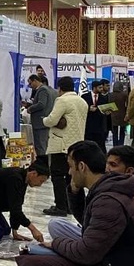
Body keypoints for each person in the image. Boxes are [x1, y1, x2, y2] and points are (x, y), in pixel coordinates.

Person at [37, 144, 134, 246]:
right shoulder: (112, 185)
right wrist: (75, 192)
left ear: (129, 171)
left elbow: (92, 248)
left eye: (113, 165)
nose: (107, 169)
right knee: (56, 224)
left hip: (110, 247)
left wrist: (58, 246)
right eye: (107, 164)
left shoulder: (127, 192)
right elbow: (88, 220)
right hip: (102, 239)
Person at [41, 76, 88, 217]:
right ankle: (70, 206)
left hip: (61, 144)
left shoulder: (62, 100)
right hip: (77, 144)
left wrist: (44, 120)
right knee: (71, 176)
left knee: (57, 175)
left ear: (60, 88)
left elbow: (51, 120)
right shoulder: (82, 101)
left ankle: (60, 206)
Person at [25, 74, 56, 165]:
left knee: (41, 147)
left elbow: (41, 104)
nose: (30, 86)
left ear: (35, 80)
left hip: (40, 123)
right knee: (45, 145)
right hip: (46, 122)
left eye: (30, 83)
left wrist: (30, 108)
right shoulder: (51, 90)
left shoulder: (42, 90)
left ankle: (42, 167)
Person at [82, 81, 110, 153]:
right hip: (88, 126)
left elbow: (106, 109)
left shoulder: (104, 98)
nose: (101, 89)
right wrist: (89, 109)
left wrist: (107, 112)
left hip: (99, 126)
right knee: (87, 146)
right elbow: (81, 109)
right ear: (94, 88)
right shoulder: (85, 97)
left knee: (100, 146)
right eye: (100, 87)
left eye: (102, 87)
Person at [110, 82, 129, 147]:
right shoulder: (124, 95)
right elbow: (127, 105)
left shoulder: (110, 95)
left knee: (114, 132)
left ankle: (115, 145)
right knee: (122, 131)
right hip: (123, 115)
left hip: (113, 115)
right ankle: (121, 144)